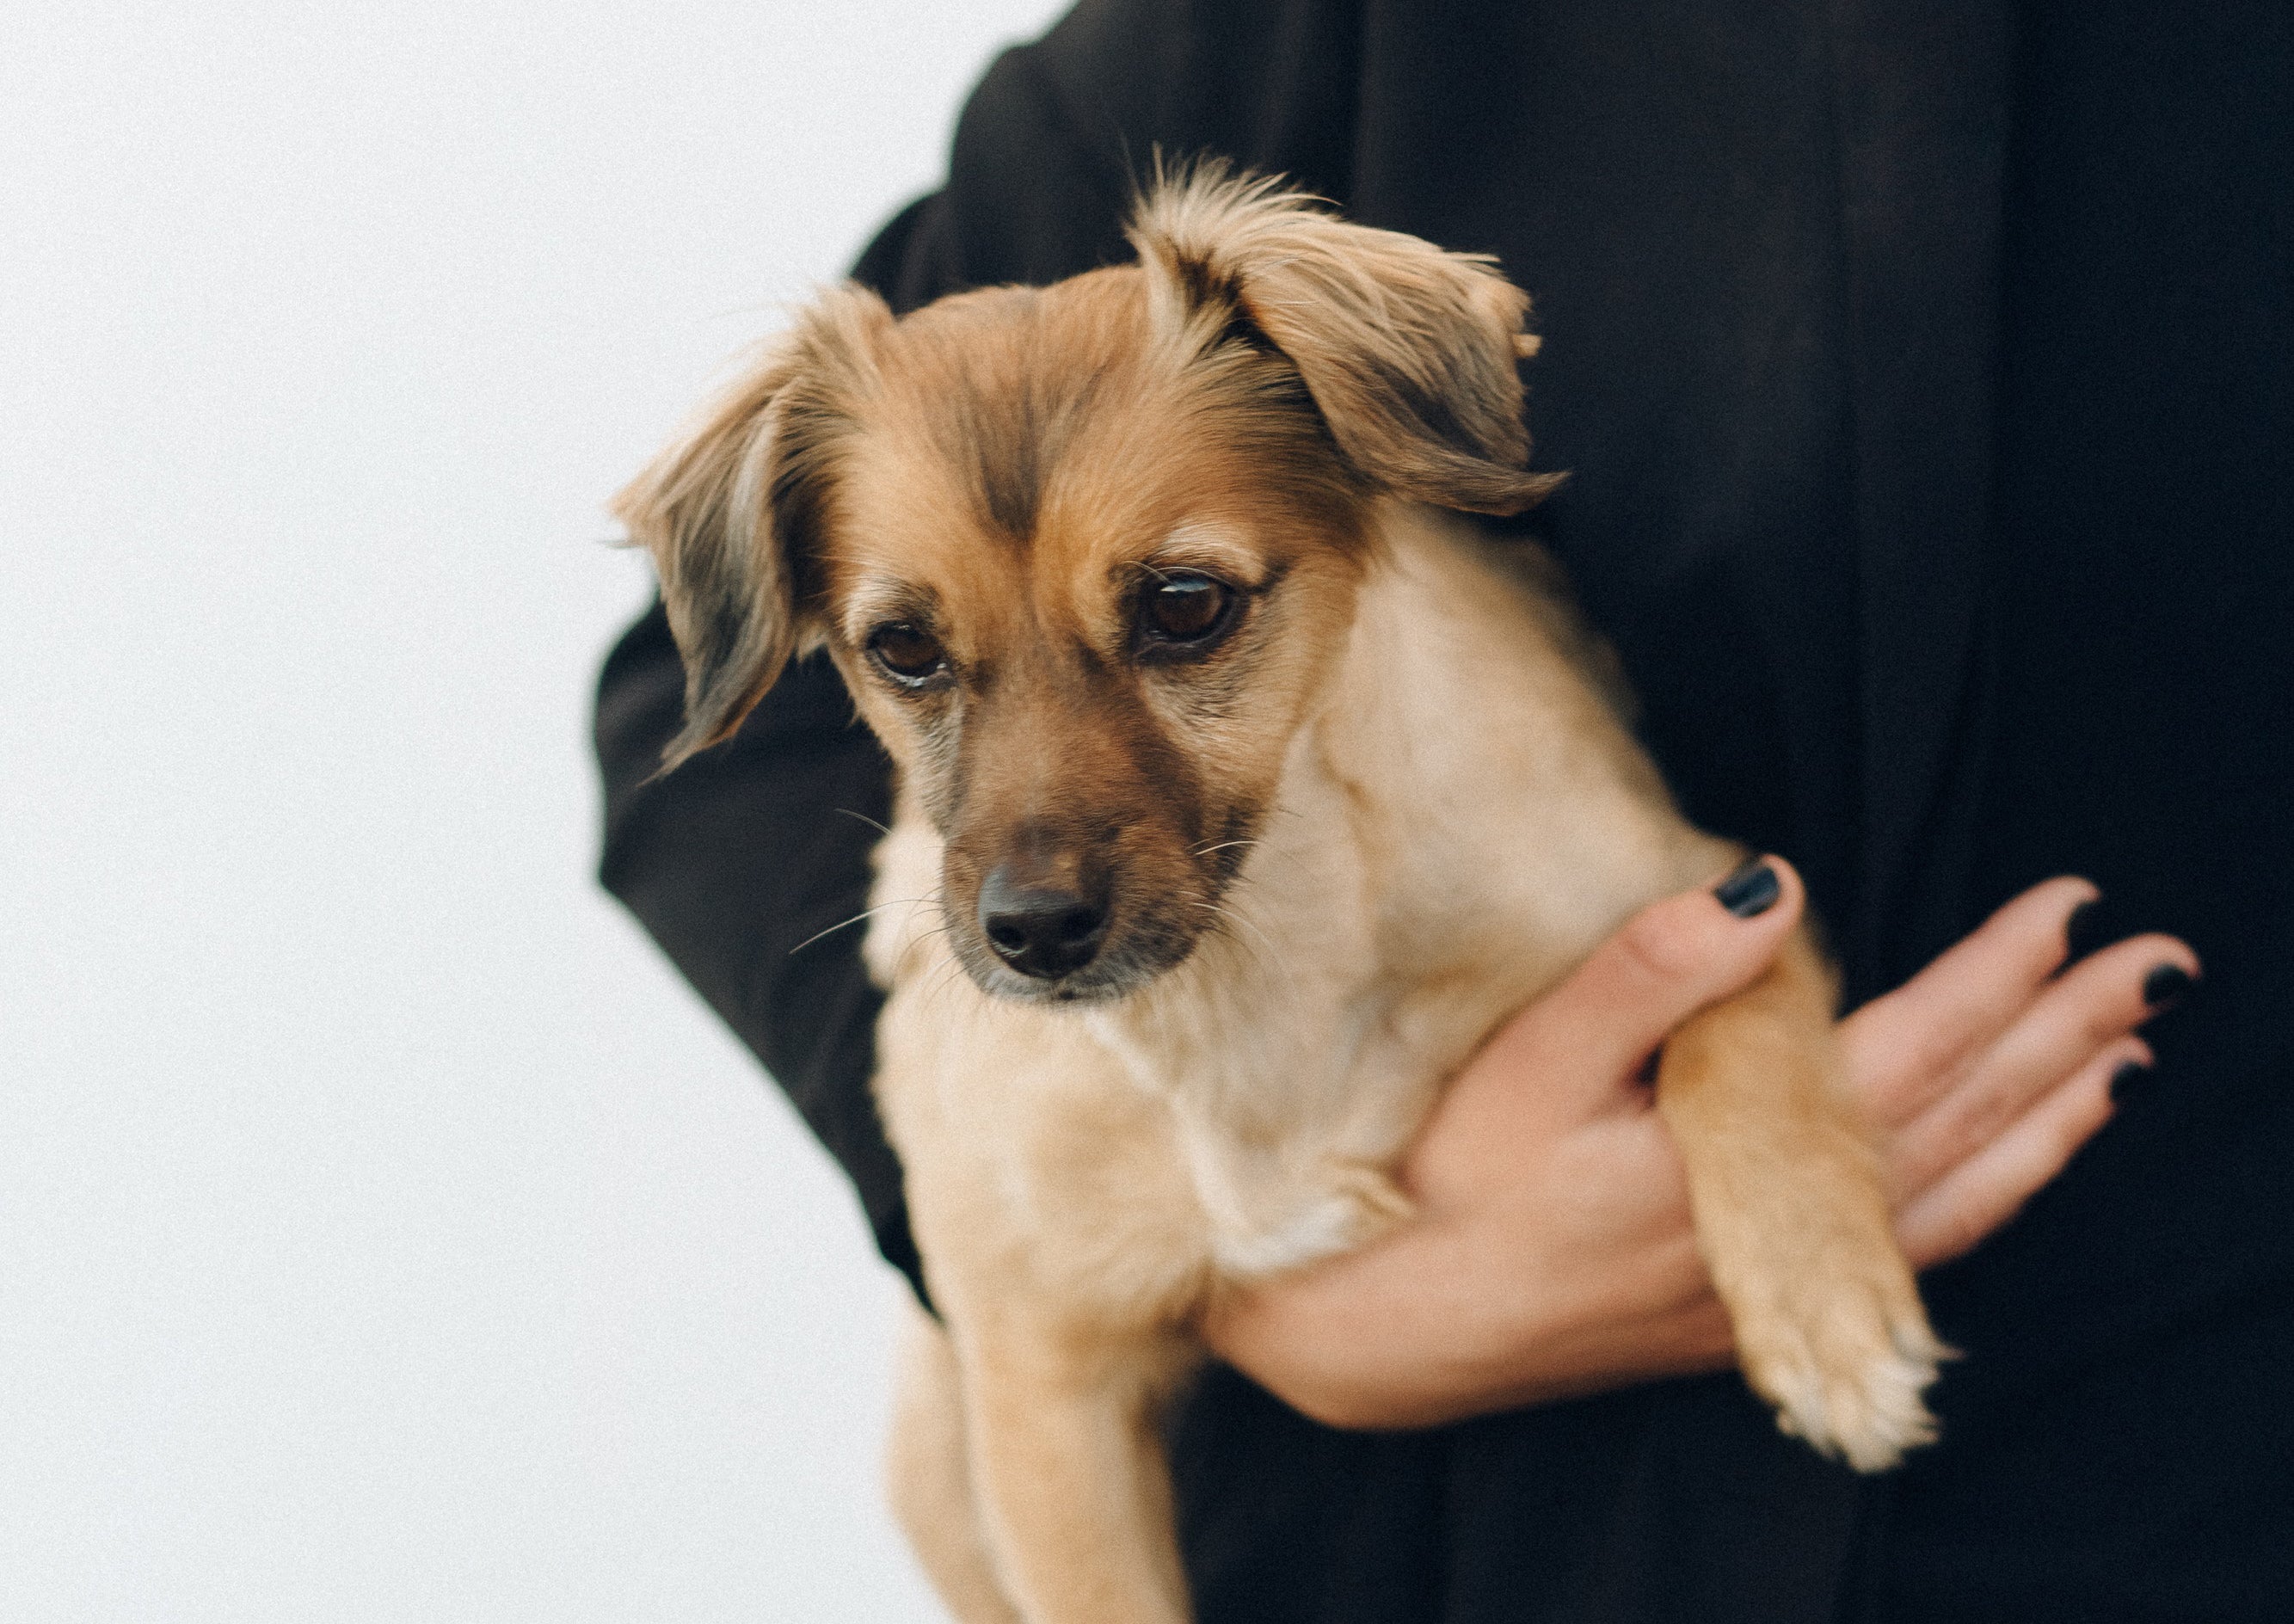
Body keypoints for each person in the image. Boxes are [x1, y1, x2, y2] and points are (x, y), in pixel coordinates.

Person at [593, 2, 2292, 1618]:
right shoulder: (1312, 33)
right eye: (912, 653)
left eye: (1180, 613)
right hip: (1441, 1543)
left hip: (2179, 1468)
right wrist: (1285, 1283)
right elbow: (696, 721)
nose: (1036, 854)